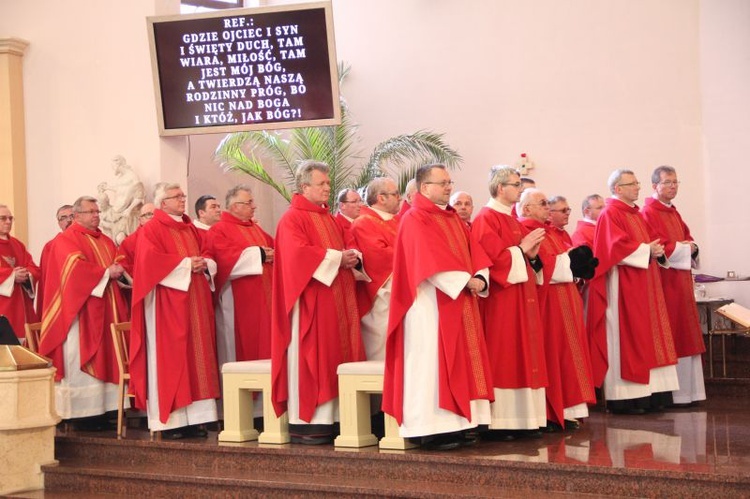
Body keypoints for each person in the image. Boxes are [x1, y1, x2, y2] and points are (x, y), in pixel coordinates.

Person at [383, 164, 494, 450]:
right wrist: (466, 282)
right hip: (429, 306)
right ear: (424, 187)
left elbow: (475, 252)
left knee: (461, 360)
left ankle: (461, 424)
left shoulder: (453, 219)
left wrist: (480, 277)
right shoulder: (415, 218)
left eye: (449, 182)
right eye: (442, 183)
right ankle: (431, 428)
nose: (448, 187)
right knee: (431, 363)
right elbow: (428, 259)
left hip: (460, 299)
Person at [271, 161, 367, 444]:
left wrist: (352, 256)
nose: (327, 188)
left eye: (328, 183)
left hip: (337, 297)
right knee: (315, 355)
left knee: (337, 354)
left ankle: (338, 417)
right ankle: (310, 421)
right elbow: (297, 255)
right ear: (304, 187)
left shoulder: (328, 218)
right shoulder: (292, 218)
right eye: (321, 184)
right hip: (312, 301)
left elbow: (348, 242)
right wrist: (339, 258)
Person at [129, 184, 220, 439]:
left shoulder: (190, 227)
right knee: (173, 359)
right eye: (176, 197)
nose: (182, 200)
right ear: (162, 203)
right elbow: (148, 263)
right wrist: (185, 264)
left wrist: (205, 263)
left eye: (182, 196)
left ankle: (198, 419)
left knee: (198, 358)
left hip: (196, 300)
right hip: (167, 305)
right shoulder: (152, 229)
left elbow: (208, 252)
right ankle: (172, 423)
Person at [587, 169, 679, 414]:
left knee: (648, 335)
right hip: (623, 285)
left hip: (645, 281)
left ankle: (653, 394)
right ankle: (625, 398)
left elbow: (650, 242)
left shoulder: (636, 214)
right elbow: (612, 248)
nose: (638, 187)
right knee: (626, 334)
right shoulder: (610, 214)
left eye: (637, 183)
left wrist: (655, 250)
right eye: (632, 184)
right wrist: (645, 250)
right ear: (617, 189)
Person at [471, 166, 548, 440]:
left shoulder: (512, 220)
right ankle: (503, 421)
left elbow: (521, 256)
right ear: (500, 188)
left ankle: (526, 419)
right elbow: (490, 262)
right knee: (505, 356)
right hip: (501, 302)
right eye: (516, 185)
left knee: (524, 354)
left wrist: (532, 256)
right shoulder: (485, 219)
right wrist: (521, 250)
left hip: (521, 297)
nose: (520, 189)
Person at [38, 196, 129, 429]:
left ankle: (105, 410)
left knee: (108, 356)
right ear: (77, 216)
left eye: (97, 211)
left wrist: (119, 266)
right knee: (80, 357)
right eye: (91, 212)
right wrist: (107, 272)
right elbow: (74, 271)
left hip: (106, 309)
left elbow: (116, 259)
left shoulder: (105, 240)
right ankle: (83, 414)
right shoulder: (66, 240)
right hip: (80, 313)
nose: (96, 215)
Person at [518, 190, 597, 430]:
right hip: (549, 303)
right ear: (526, 209)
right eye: (542, 204)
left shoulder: (550, 231)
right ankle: (553, 412)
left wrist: (575, 263)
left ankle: (568, 409)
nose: (547, 208)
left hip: (565, 299)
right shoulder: (527, 229)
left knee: (570, 355)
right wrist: (570, 262)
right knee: (555, 355)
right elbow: (541, 265)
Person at [640, 165, 705, 406]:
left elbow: (688, 239)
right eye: (667, 182)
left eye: (676, 182)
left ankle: (691, 394)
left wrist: (692, 248)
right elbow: (657, 246)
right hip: (666, 283)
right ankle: (676, 396)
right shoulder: (649, 212)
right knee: (674, 333)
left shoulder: (673, 212)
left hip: (682, 282)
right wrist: (685, 248)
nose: (673, 186)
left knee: (687, 334)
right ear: (655, 185)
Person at [204, 185, 274, 367]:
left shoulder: (255, 228)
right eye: (249, 202)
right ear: (235, 206)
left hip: (265, 298)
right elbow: (223, 259)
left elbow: (275, 247)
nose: (254, 206)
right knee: (240, 348)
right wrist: (258, 254)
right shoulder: (219, 230)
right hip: (238, 300)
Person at [350, 177, 400, 360]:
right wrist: (412, 257)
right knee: (382, 350)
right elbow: (378, 256)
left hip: (400, 289)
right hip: (381, 295)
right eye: (395, 194)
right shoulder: (364, 222)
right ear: (381, 198)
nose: (400, 198)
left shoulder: (395, 221)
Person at [0, 205, 40, 340]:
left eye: (10, 218)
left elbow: (34, 268)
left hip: (22, 308)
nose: (8, 222)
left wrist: (26, 274)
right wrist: (11, 275)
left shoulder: (17, 244)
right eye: (3, 218)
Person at [36, 204, 74, 316]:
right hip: (59, 297)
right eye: (63, 218)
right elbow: (46, 278)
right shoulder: (51, 246)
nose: (68, 220)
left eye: (72, 216)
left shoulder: (86, 241)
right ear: (59, 223)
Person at [116, 202, 155, 278]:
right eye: (149, 214)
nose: (153, 217)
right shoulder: (128, 242)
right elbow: (124, 268)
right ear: (140, 219)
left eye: (156, 214)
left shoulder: (168, 236)